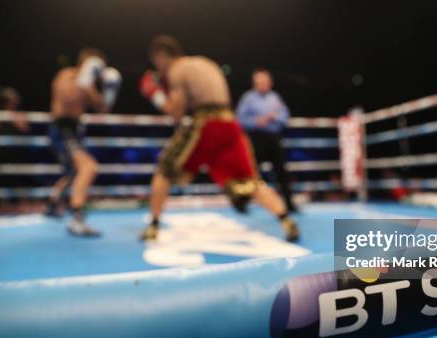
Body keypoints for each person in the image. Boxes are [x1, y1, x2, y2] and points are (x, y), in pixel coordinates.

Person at [139, 35, 299, 241]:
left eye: (157, 63)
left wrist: (154, 93)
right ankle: (287, 221)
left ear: (161, 57)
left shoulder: (178, 70)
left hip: (206, 125)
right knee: (252, 180)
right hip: (230, 126)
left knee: (164, 168)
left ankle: (153, 226)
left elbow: (175, 113)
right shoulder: (206, 63)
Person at [47, 48, 122, 236]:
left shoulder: (87, 84)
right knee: (88, 168)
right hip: (62, 128)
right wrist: (85, 79)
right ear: (87, 63)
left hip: (75, 129)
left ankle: (52, 202)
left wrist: (110, 89)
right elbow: (67, 98)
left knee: (74, 171)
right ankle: (77, 220)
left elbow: (103, 108)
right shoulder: (67, 75)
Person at [236, 69, 297, 212]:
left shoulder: (275, 97)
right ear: (255, 82)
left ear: (269, 82)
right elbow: (239, 119)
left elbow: (285, 116)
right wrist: (256, 122)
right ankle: (244, 203)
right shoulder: (248, 98)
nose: (262, 83)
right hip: (255, 139)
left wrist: (274, 118)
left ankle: (289, 204)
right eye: (259, 81)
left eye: (264, 80)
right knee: (250, 172)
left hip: (273, 138)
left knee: (281, 172)